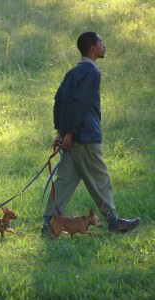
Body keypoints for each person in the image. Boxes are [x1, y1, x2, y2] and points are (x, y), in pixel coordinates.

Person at [41, 32, 140, 233]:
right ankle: (113, 222)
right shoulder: (92, 73)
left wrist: (60, 131)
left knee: (63, 182)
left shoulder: (72, 73)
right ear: (92, 48)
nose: (104, 46)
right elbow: (80, 105)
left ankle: (48, 225)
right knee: (100, 178)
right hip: (86, 137)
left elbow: (58, 101)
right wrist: (69, 133)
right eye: (101, 43)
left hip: (71, 138)